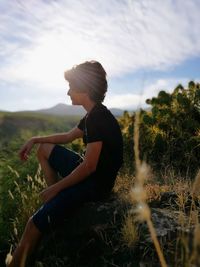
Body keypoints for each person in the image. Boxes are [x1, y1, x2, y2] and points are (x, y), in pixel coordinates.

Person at [7, 60, 123, 267]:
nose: (68, 92)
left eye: (71, 87)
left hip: (96, 184)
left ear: (84, 89)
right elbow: (68, 136)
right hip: (92, 174)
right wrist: (35, 139)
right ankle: (53, 202)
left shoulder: (98, 119)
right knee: (45, 149)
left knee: (33, 225)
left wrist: (57, 189)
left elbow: (89, 167)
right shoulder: (93, 115)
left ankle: (52, 202)